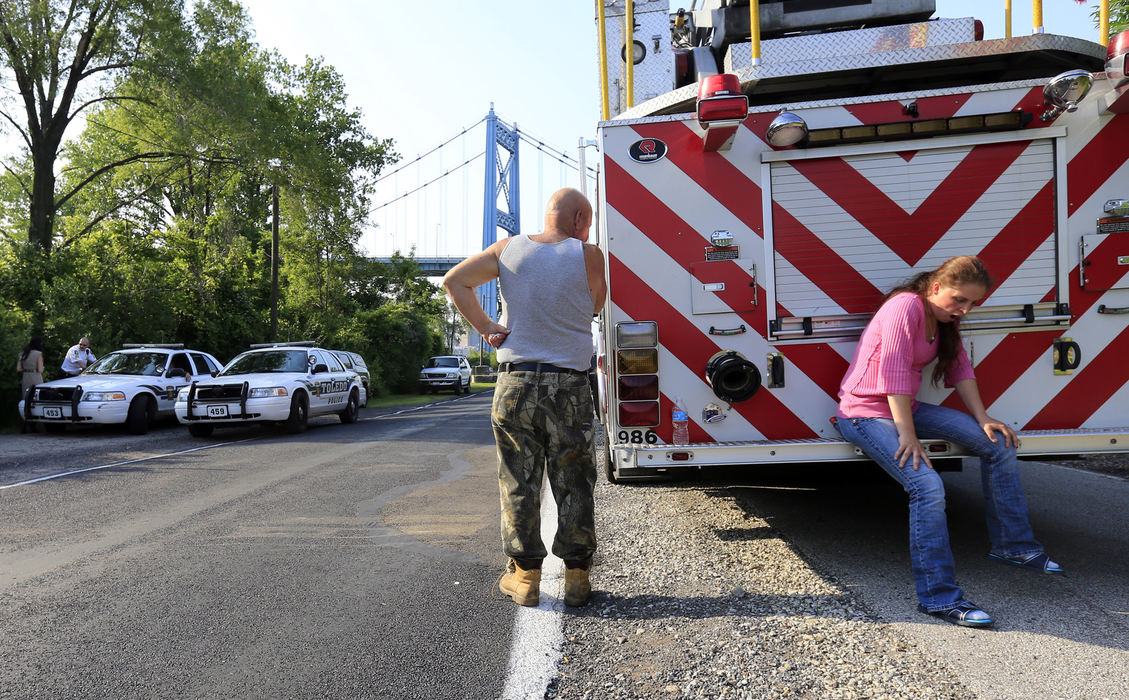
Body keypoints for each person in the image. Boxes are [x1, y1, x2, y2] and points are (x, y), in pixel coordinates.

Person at [833, 255, 1061, 628]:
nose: (965, 310)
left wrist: (983, 417)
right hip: (864, 413)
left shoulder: (942, 319)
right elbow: (890, 371)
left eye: (972, 303)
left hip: (906, 408)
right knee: (928, 485)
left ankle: (1014, 546)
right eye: (959, 300)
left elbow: (960, 369)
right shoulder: (904, 306)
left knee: (999, 443)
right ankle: (939, 598)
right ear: (936, 287)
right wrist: (908, 436)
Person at [443, 187, 606, 608]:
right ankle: (576, 578)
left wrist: (488, 327)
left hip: (515, 384)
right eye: (586, 223)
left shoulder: (506, 249)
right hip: (568, 384)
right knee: (574, 480)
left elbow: (453, 281)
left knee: (518, 480)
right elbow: (597, 304)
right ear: (578, 220)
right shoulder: (589, 255)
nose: (586, 231)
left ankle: (525, 577)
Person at [17, 335, 45, 433]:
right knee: (36, 399)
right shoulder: (38, 354)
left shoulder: (22, 354)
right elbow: (41, 369)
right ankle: (34, 426)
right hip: (36, 376)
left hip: (25, 377)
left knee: (25, 399)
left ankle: (23, 425)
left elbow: (19, 369)